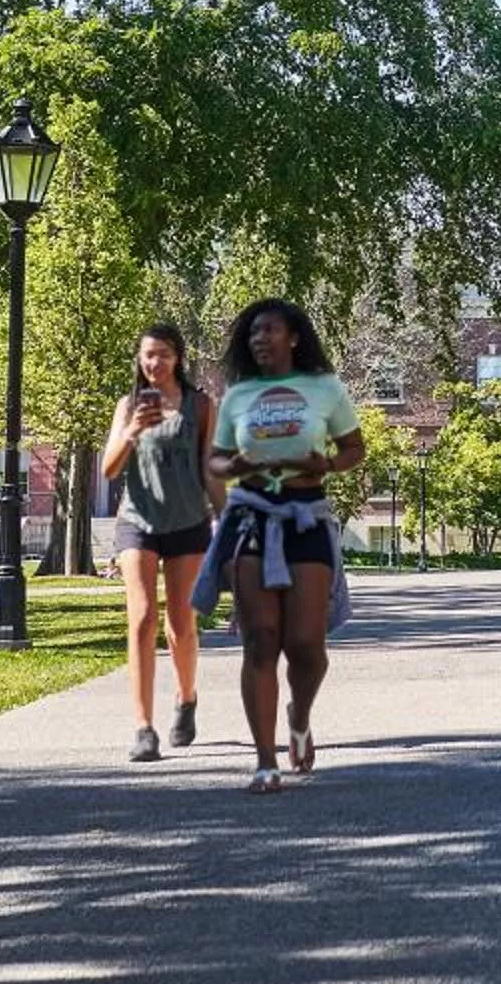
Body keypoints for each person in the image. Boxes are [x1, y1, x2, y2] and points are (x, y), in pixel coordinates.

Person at [197, 296, 362, 795]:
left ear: (294, 337)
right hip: (252, 518)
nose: (259, 339)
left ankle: (300, 715)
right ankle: (264, 760)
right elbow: (216, 464)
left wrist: (325, 465)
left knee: (307, 646)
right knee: (261, 640)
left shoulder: (325, 389)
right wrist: (239, 468)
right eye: (252, 333)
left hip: (306, 518)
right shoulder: (238, 396)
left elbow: (354, 449)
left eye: (269, 330)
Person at [100, 322, 217, 762]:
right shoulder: (128, 405)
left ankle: (186, 699)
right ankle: (143, 726)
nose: (155, 363)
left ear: (179, 358)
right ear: (139, 358)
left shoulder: (202, 406)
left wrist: (226, 515)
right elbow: (110, 469)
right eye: (148, 354)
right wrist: (131, 431)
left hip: (188, 522)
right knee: (143, 617)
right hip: (138, 522)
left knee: (181, 624)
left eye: (164, 354)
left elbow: (210, 468)